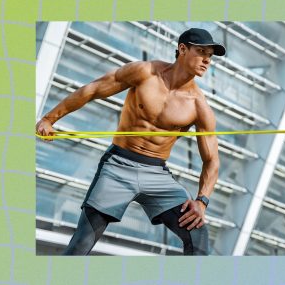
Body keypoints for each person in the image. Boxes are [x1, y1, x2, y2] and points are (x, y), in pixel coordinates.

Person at [35, 28, 226, 255]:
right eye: (201, 51)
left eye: (210, 56)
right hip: (118, 165)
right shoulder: (145, 73)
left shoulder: (198, 106)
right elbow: (94, 88)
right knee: (82, 242)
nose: (206, 60)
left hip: (157, 175)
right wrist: (48, 119)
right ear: (182, 49)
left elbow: (212, 160)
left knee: (198, 235)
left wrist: (202, 201)